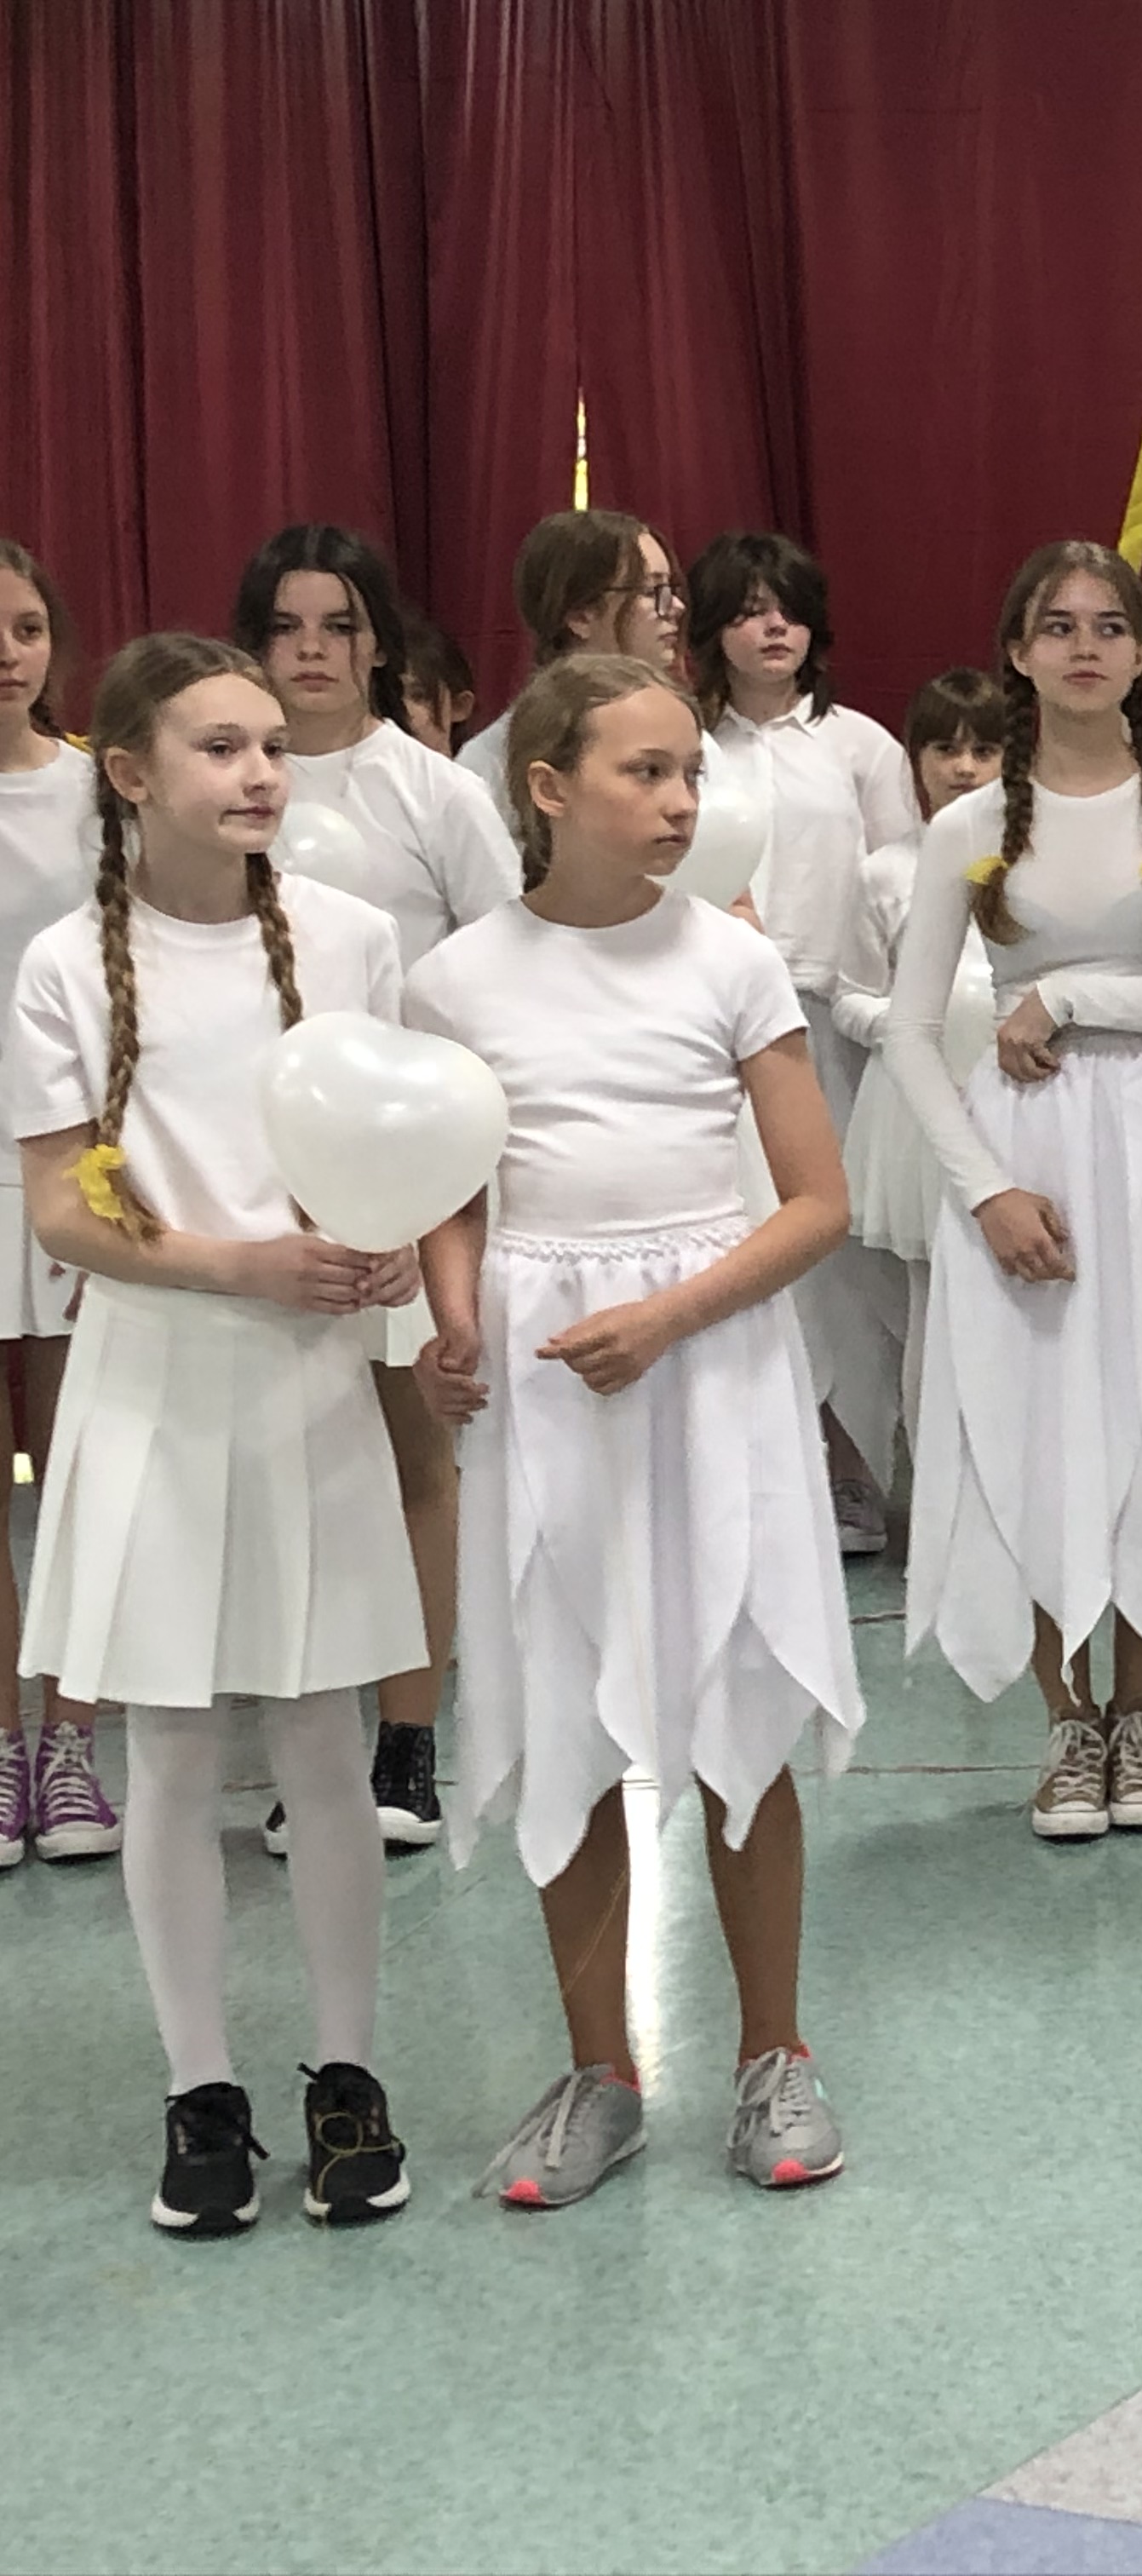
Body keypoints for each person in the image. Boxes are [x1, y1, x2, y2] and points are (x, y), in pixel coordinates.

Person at [410, 653, 865, 2207]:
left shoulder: (731, 962)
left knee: (740, 1695)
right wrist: (453, 1321)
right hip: (548, 1365)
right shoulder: (458, 979)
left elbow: (816, 1200)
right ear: (548, 787)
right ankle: (599, 2069)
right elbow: (453, 1194)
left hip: (708, 1347)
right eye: (645, 772)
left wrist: (670, 1317)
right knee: (565, 1705)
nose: (680, 801)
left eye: (689, 773)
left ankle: (773, 2052)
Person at [13, 633, 420, 2234]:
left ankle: (348, 2073)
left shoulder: (352, 935)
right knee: (174, 1748)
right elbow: (64, 1209)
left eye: (271, 746)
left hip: (311, 1378)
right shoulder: (64, 966)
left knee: (323, 1739)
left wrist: (389, 1245)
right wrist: (235, 1263)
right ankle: (201, 2089)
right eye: (219, 747)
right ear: (129, 774)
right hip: (157, 1379)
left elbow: (396, 1146)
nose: (260, 772)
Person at [881, 542, 1142, 1839]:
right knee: (1038, 1422)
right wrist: (986, 1190)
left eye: (1109, 626)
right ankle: (1065, 1724)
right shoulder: (968, 826)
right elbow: (908, 1030)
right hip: (1024, 1145)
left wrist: (1068, 995)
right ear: (1019, 651)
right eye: (1058, 625)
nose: (1084, 646)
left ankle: (1140, 1719)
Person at [238, 523, 523, 1854]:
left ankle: (408, 1742)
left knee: (416, 1460)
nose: (312, 651)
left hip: (407, 1171)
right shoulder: (227, 780)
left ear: (377, 644)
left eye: (339, 626)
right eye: (286, 627)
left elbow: (502, 971)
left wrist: (443, 1179)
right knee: (294, 1470)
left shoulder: (435, 792)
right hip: (256, 1182)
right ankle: (310, 1750)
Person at [686, 532, 922, 1556]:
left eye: (785, 608)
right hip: (715, 1030)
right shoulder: (690, 747)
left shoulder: (859, 747)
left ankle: (880, 1465)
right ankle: (802, 1471)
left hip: (841, 1025)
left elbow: (903, 890)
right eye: (747, 610)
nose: (771, 627)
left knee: (855, 1254)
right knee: (755, 1238)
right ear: (712, 630)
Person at [0, 535, 111, 1868]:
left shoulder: (97, 791)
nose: (6, 653)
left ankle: (73, 1742)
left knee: (81, 1464)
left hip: (74, 1165)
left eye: (27, 626)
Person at [829, 670, 1006, 1484]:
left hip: (1018, 1091)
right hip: (921, 1113)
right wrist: (915, 1029)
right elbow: (850, 996)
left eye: (984, 749)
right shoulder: (886, 872)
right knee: (934, 1306)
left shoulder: (1034, 864)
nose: (964, 768)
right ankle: (938, 1496)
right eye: (945, 749)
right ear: (915, 760)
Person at [453, 510, 683, 816]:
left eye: (671, 589)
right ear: (580, 615)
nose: (676, 607)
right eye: (653, 591)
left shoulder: (684, 732)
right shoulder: (490, 764)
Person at [397, 613, 478, 757]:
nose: (403, 709)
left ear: (459, 706)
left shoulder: (479, 768)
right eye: (389, 696)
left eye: (418, 696)